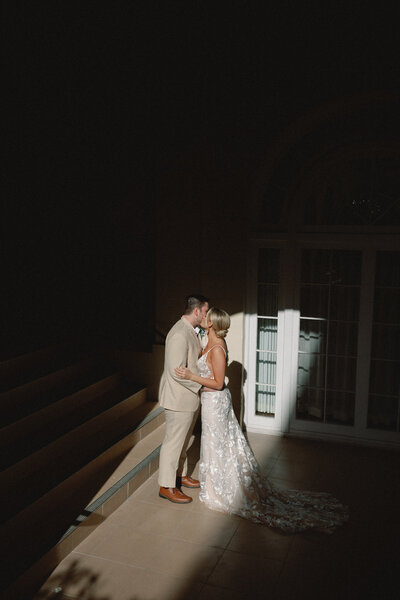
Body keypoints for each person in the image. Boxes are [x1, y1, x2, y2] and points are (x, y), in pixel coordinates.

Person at [175, 307, 349, 533]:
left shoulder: (217, 349)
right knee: (214, 443)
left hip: (216, 402)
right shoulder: (207, 340)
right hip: (210, 403)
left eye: (206, 318)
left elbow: (218, 383)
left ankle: (223, 490)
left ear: (212, 324)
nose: (203, 319)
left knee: (219, 444)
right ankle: (215, 484)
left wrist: (191, 376)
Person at [158, 294, 209, 504]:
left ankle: (180, 475)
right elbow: (175, 371)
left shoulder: (192, 331)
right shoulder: (179, 334)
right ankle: (166, 486)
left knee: (183, 441)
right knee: (173, 442)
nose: (206, 315)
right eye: (205, 311)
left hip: (187, 398)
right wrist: (201, 385)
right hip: (178, 399)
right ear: (196, 311)